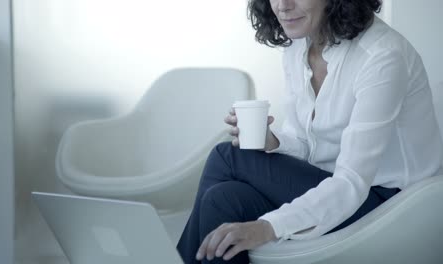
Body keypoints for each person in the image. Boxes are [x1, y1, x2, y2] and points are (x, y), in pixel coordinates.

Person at [177, 0, 443, 263]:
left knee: (227, 156)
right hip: (331, 184)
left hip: (392, 208)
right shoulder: (298, 46)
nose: (282, 5)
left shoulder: (382, 56)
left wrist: (269, 227)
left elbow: (352, 180)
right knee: (222, 199)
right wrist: (273, 141)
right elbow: (309, 146)